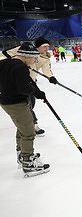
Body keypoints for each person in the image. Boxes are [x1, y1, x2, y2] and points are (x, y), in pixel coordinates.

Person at [0, 42, 50, 177]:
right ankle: (28, 162)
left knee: (21, 128)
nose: (35, 61)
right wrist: (36, 92)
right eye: (34, 58)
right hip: (16, 103)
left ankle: (21, 154)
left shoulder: (5, 63)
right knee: (28, 132)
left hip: (6, 102)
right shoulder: (20, 68)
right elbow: (24, 89)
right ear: (27, 56)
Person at [2, 37, 58, 136]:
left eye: (48, 46)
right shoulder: (25, 49)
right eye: (44, 46)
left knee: (31, 103)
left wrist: (51, 77)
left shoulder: (45, 58)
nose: (47, 48)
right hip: (18, 81)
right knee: (27, 106)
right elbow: (6, 52)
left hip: (30, 82)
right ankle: (33, 125)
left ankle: (29, 125)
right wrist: (20, 62)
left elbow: (47, 70)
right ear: (37, 47)